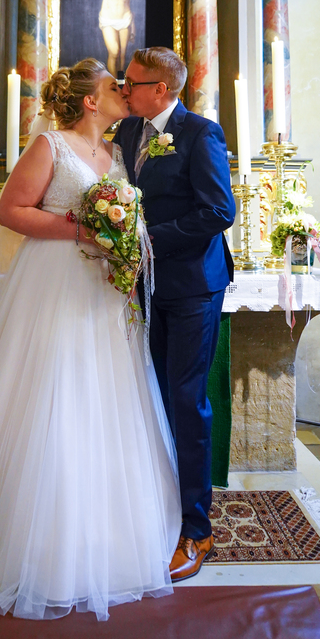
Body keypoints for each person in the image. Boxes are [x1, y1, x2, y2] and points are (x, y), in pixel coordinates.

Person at [0, 58, 181, 621]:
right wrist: (83, 230)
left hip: (102, 292)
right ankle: (39, 540)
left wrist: (123, 244)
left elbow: (124, 217)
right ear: (90, 101)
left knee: (105, 397)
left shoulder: (117, 153)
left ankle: (106, 533)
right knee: (55, 391)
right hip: (55, 282)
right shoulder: (51, 145)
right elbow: (12, 211)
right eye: (113, 86)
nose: (124, 91)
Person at [114, 47, 235, 582]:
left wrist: (146, 241)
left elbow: (218, 211)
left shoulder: (200, 133)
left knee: (186, 401)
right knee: (150, 396)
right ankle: (157, 509)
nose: (124, 90)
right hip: (143, 288)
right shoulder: (126, 132)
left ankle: (196, 528)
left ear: (160, 90)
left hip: (191, 288)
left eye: (132, 83)